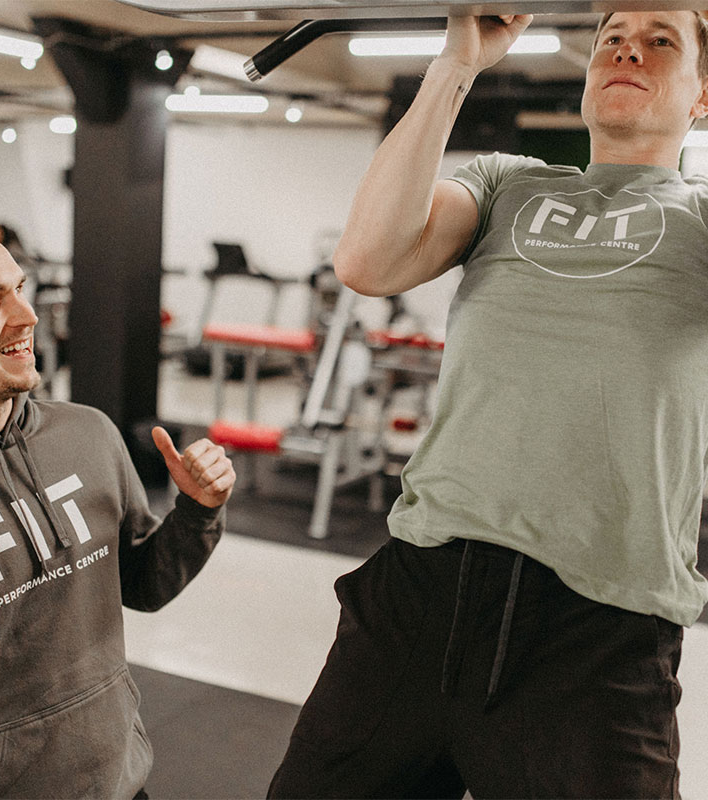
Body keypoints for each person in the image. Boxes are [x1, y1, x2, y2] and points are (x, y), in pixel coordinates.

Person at [269, 10, 708, 799]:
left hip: (599, 626)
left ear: (701, 96)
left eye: (662, 39)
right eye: (610, 37)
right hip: (422, 593)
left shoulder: (700, 218)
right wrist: (455, 63)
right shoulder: (510, 182)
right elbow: (367, 259)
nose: (626, 49)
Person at [0, 199, 236, 799]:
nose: (26, 314)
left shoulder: (87, 433)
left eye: (19, 289)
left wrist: (196, 512)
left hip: (117, 780)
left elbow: (144, 585)